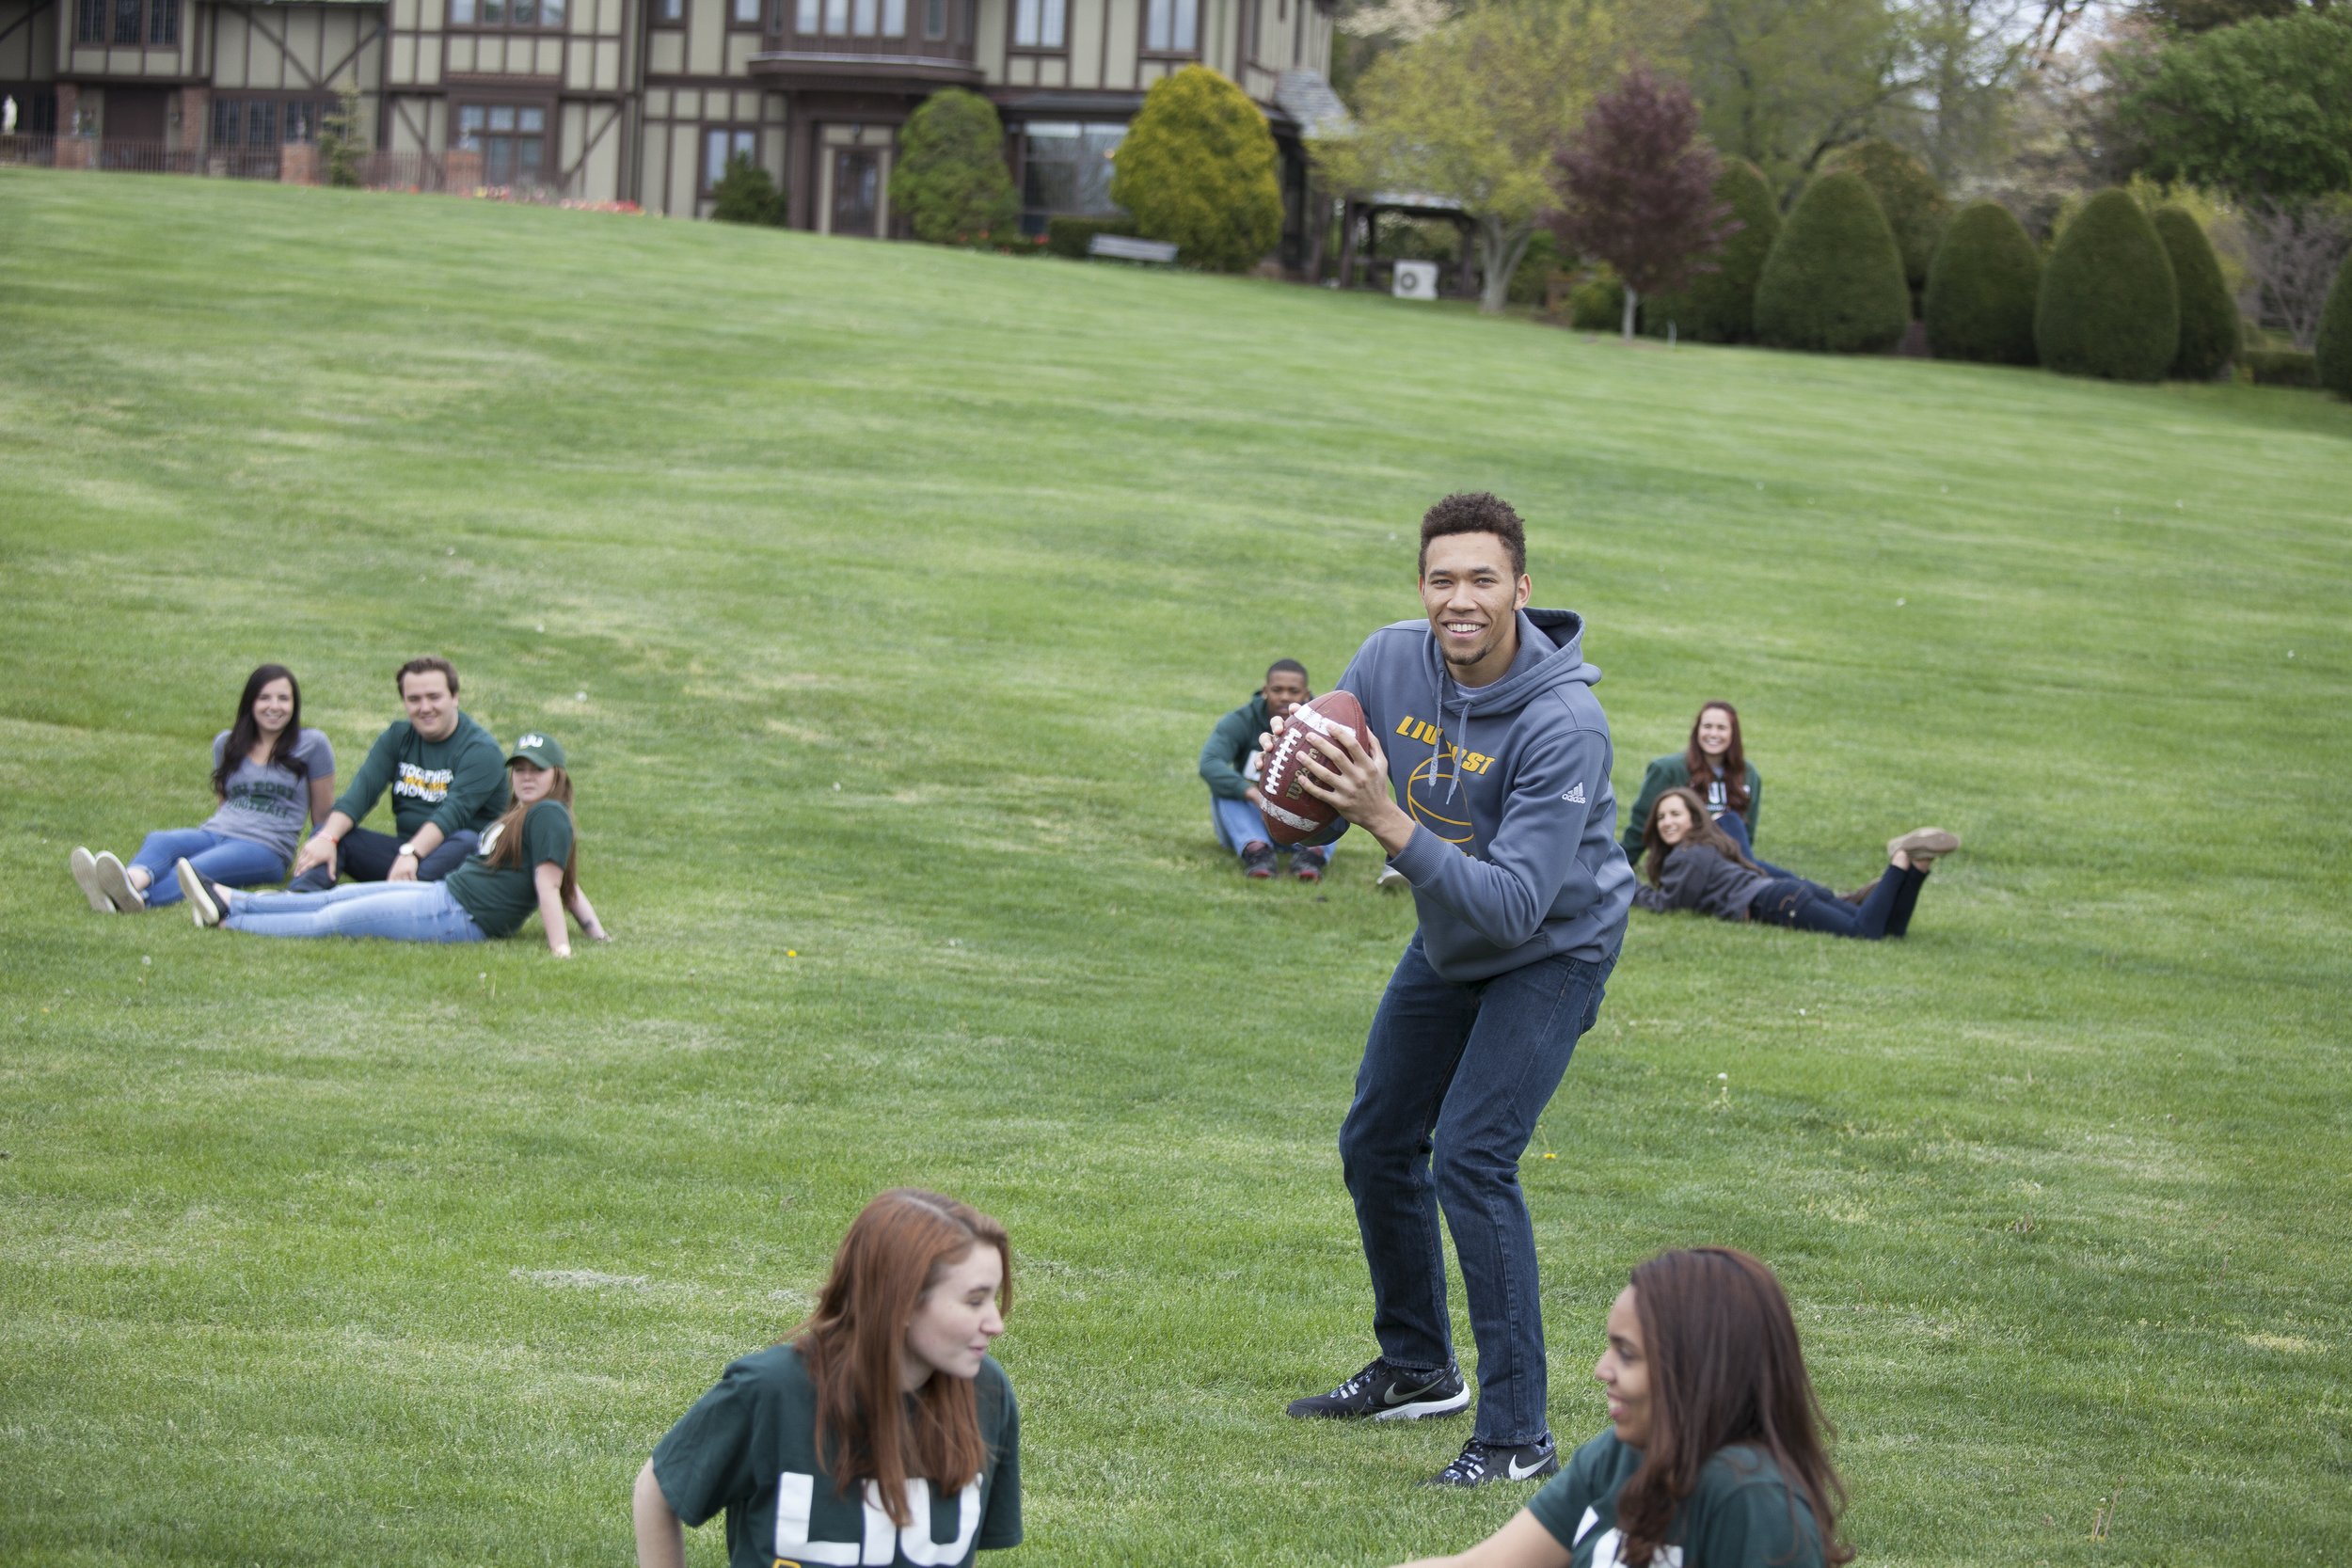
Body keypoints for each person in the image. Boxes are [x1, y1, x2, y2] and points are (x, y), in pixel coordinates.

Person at [1277, 492, 1634, 1487]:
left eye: (1482, 578)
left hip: (1551, 948)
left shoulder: (1566, 722)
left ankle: (1518, 1434)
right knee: (1378, 1136)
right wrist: (1292, 792)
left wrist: (1389, 822)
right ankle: (1419, 1367)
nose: (1459, 599)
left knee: (1472, 1158)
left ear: (1520, 587)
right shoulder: (1388, 660)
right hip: (1450, 929)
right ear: (1421, 586)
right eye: (1442, 579)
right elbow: (1329, 793)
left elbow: (1516, 907)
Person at [1384, 1247, 1850, 1568]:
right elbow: (1485, 1563)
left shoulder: (1754, 1502)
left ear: (1698, 1367)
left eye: (1627, 1355)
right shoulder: (1618, 1456)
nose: (1602, 1370)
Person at [632, 1188, 1023, 1568]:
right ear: (901, 1301)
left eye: (993, 1298)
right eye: (974, 1301)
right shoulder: (770, 1392)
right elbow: (658, 1491)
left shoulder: (986, 1392)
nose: (995, 1323)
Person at [177, 732, 608, 955]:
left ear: (557, 775)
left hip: (458, 915)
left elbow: (551, 885)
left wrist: (561, 948)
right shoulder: (525, 814)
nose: (527, 777)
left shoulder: (549, 814)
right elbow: (568, 886)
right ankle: (230, 899)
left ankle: (232, 921)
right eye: (520, 769)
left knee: (336, 919)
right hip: (443, 896)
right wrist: (596, 932)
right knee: (337, 898)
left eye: (537, 770)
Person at [69, 663, 335, 912]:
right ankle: (130, 880)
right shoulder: (227, 743)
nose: (274, 706)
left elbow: (322, 816)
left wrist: (317, 857)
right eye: (264, 698)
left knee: (195, 867)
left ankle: (137, 900)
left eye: (283, 699)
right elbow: (224, 802)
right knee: (160, 840)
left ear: (294, 705)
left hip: (266, 848)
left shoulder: (312, 744)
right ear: (250, 702)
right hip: (216, 832)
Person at [284, 655, 507, 892]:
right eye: (414, 699)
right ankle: (297, 900)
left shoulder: (481, 751)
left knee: (467, 840)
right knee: (329, 832)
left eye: (434, 697)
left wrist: (412, 853)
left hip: (463, 864)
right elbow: (360, 795)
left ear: (454, 697)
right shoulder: (398, 738)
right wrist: (328, 838)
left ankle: (389, 899)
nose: (425, 708)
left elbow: (452, 814)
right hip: (408, 856)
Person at [1633, 788, 1958, 941]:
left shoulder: (1687, 855)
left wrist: (1628, 888)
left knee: (1864, 932)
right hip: (1787, 892)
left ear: (1694, 818)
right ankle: (1919, 865)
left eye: (1675, 814)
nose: (1667, 822)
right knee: (1891, 930)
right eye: (1661, 817)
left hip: (1777, 902)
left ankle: (1900, 859)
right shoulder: (1709, 846)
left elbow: (1668, 904)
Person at [1200, 658, 1336, 881]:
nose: (1285, 697)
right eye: (1277, 690)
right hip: (1255, 817)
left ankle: (1312, 856)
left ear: (1306, 694)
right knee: (1225, 788)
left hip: (1302, 819)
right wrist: (1255, 795)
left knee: (1335, 789)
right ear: (1265, 691)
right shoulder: (1242, 720)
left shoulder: (1325, 724)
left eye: (1293, 691)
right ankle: (1257, 852)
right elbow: (1210, 762)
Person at [1620, 703, 1784, 874]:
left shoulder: (1749, 774)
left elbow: (1747, 834)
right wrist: (1622, 862)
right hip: (1686, 858)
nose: (1713, 733)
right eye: (1707, 726)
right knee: (1756, 868)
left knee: (1779, 877)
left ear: (1733, 734)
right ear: (1697, 731)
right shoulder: (1668, 769)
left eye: (1721, 728)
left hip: (1729, 859)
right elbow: (1642, 822)